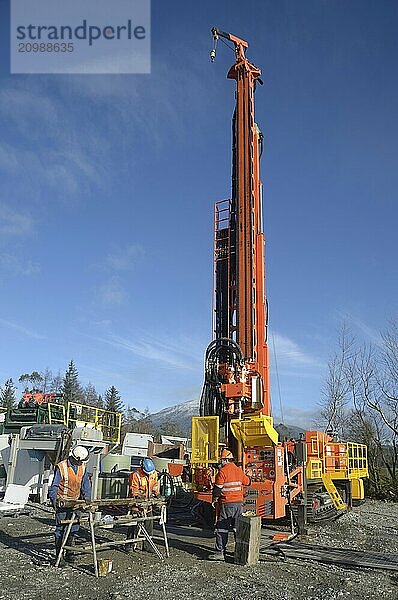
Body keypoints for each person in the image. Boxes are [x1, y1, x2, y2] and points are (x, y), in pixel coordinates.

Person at [48, 445, 91, 566]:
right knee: (60, 530)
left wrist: (87, 498)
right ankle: (59, 556)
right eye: (80, 461)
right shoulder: (62, 467)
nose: (81, 463)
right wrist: (54, 501)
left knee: (73, 528)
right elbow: (55, 486)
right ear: (76, 458)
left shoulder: (82, 467)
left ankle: (69, 553)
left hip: (75, 503)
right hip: (63, 502)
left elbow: (85, 484)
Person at [208, 449, 251, 561]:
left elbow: (217, 489)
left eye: (222, 460)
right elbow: (248, 482)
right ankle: (240, 552)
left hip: (227, 503)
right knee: (237, 528)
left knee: (222, 528)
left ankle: (220, 552)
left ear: (226, 460)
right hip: (239, 504)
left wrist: (214, 499)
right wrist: (248, 475)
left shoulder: (222, 472)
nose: (221, 462)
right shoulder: (239, 470)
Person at [126, 458, 159, 552]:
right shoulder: (135, 475)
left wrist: (157, 494)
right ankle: (129, 545)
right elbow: (134, 490)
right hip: (136, 504)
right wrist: (139, 498)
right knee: (134, 524)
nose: (149, 474)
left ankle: (147, 545)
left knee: (149, 524)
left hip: (148, 505)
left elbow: (155, 485)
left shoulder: (154, 473)